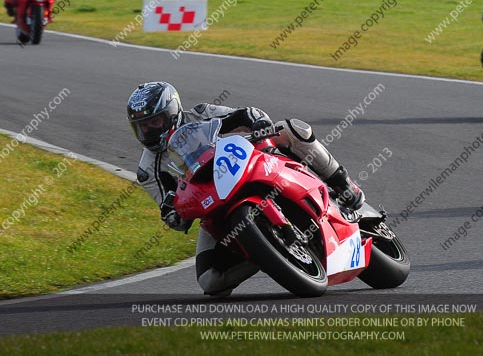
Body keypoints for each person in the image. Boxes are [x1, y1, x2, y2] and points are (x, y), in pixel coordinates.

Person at [126, 81, 365, 296]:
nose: (149, 131)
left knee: (289, 129)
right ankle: (266, 252)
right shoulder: (148, 170)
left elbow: (245, 114)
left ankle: (343, 184)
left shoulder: (200, 114)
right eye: (142, 127)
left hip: (248, 163)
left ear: (171, 112)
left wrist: (258, 123)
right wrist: (173, 214)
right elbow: (169, 209)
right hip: (213, 204)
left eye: (154, 122)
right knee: (209, 282)